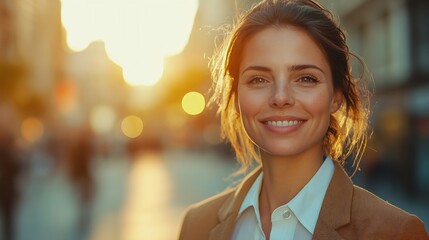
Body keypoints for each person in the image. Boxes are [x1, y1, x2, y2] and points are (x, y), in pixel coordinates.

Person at [178, 0, 429, 239]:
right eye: (258, 79)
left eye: (306, 78)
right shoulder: (196, 225)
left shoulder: (395, 232)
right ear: (236, 96)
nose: (280, 97)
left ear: (336, 96)